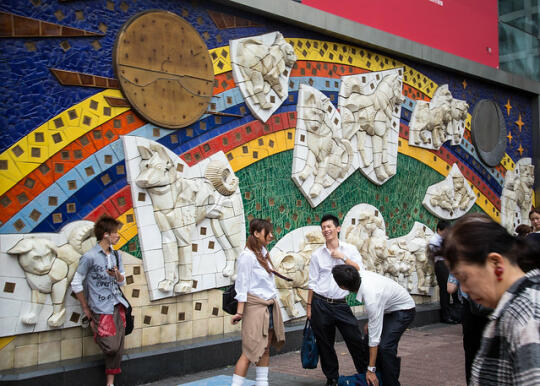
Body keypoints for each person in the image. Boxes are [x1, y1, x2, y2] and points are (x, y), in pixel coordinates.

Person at [442, 213, 540, 385]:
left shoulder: (524, 316)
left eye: (464, 277)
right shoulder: (511, 308)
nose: (464, 289)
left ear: (496, 263)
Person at [332, 265, 416, 386]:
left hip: (404, 310)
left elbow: (375, 339)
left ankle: (390, 382)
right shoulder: (358, 275)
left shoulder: (371, 296)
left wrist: (371, 370)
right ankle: (376, 379)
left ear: (342, 287)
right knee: (367, 342)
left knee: (385, 347)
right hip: (388, 309)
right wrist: (372, 321)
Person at [307, 214, 366, 386]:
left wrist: (341, 257)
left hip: (341, 304)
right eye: (323, 227)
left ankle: (365, 373)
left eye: (329, 227)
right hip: (320, 303)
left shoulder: (349, 249)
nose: (326, 230)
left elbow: (359, 270)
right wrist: (309, 307)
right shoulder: (317, 255)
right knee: (325, 344)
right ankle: (331, 378)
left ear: (337, 228)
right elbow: (312, 282)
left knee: (355, 338)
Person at [71, 215, 128, 386]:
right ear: (105, 234)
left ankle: (110, 383)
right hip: (100, 306)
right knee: (111, 346)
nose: (118, 236)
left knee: (118, 348)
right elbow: (76, 283)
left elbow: (122, 281)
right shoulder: (89, 257)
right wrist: (86, 308)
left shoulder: (117, 255)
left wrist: (116, 274)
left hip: (118, 305)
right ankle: (96, 330)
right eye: (115, 233)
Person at [231, 218, 286, 386]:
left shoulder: (262, 253)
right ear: (256, 233)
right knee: (249, 351)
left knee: (265, 348)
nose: (271, 236)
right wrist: (240, 312)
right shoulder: (247, 256)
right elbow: (242, 286)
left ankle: (262, 383)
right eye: (267, 233)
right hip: (255, 308)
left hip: (269, 307)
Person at [447, 274, 490, 384]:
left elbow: (450, 288)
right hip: (487, 306)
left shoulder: (460, 258)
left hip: (472, 306)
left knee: (473, 352)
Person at [428, 219, 460, 323]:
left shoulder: (446, 239)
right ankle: (445, 316)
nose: (447, 233)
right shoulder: (434, 240)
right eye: (446, 231)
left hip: (449, 265)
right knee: (445, 290)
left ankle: (456, 314)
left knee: (455, 288)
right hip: (441, 265)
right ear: (439, 230)